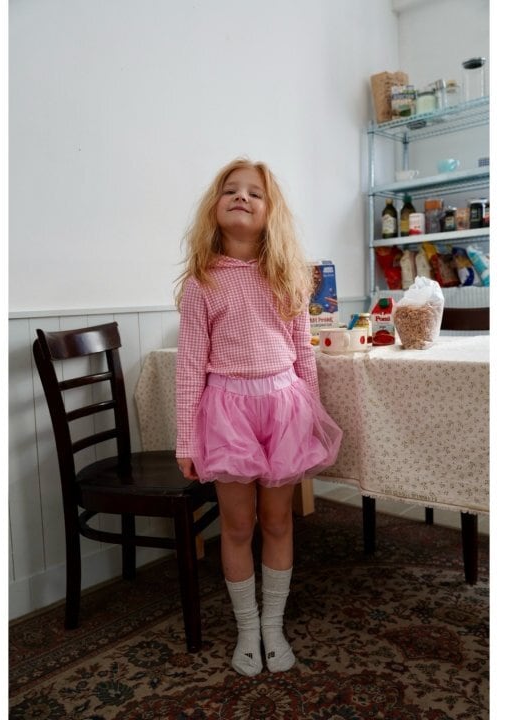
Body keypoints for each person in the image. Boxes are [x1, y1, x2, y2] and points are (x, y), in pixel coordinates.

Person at [174, 157, 342, 676]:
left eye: (255, 192)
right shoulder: (203, 283)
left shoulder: (288, 278)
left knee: (277, 521)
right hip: (227, 413)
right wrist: (186, 441)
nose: (242, 197)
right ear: (215, 207)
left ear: (271, 212)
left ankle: (273, 624)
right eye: (231, 190)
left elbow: (303, 351)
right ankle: (247, 628)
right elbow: (189, 366)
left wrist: (312, 412)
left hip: (284, 408)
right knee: (238, 525)